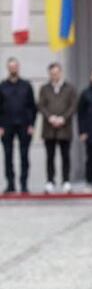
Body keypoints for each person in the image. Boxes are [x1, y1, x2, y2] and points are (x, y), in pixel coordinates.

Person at [38, 62, 78, 194]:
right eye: (52, 74)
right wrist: (50, 117)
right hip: (49, 128)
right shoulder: (44, 88)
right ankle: (50, 181)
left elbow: (73, 106)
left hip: (64, 128)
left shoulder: (69, 88)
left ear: (61, 73)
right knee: (50, 157)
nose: (54, 76)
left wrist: (63, 118)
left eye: (56, 73)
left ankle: (66, 181)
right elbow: (41, 105)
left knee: (65, 156)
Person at [0, 57, 36, 194]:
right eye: (11, 67)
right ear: (8, 68)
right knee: (8, 155)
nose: (13, 69)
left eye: (15, 66)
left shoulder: (26, 86)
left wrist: (32, 124)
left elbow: (32, 106)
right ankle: (10, 185)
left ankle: (24, 184)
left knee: (24, 155)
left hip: (24, 125)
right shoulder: (2, 86)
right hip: (6, 125)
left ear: (18, 67)